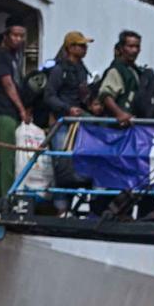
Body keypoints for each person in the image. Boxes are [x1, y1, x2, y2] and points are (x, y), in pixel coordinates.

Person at [45, 31, 95, 215]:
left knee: (75, 166)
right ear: (70, 48)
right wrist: (67, 109)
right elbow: (49, 96)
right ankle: (60, 207)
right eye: (81, 45)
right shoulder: (59, 70)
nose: (85, 48)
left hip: (77, 123)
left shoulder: (81, 69)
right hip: (62, 123)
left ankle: (69, 206)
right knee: (62, 165)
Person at [0, 17, 32, 199]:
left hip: (10, 113)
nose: (18, 39)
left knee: (6, 162)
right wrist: (22, 109)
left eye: (21, 36)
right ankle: (7, 201)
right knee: (7, 161)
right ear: (6, 35)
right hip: (2, 112)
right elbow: (7, 84)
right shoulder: (0, 56)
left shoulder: (14, 58)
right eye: (14, 35)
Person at [99, 30, 142, 127]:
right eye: (130, 46)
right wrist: (120, 114)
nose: (134, 50)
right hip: (116, 130)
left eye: (137, 47)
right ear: (122, 48)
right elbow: (106, 95)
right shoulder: (116, 70)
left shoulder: (135, 71)